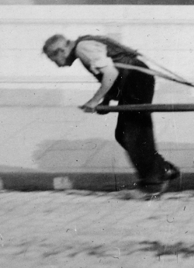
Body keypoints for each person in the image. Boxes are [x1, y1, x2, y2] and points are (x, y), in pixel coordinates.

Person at [43, 33, 180, 197]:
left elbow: (110, 74)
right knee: (124, 134)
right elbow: (114, 70)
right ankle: (161, 170)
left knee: (133, 133)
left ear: (60, 51)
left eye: (54, 60)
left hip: (135, 80)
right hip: (135, 80)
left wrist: (94, 101)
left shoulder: (82, 49)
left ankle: (153, 183)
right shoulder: (84, 45)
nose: (58, 66)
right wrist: (106, 102)